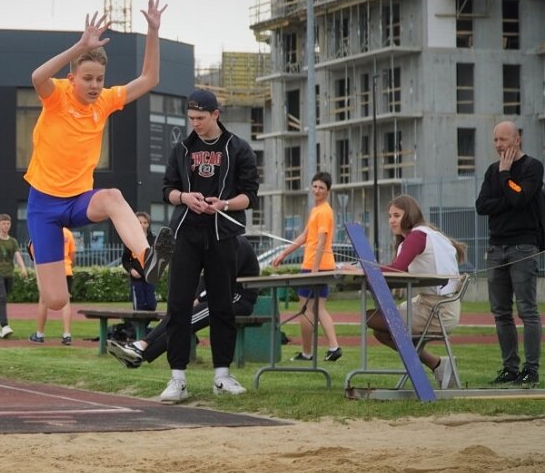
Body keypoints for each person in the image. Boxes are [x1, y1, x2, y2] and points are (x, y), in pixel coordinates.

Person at [24, 0, 173, 316]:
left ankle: (148, 258)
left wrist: (153, 31)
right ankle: (37, 248)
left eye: (100, 79)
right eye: (87, 79)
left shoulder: (105, 100)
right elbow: (37, 77)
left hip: (79, 200)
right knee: (56, 301)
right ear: (71, 78)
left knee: (113, 197)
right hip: (45, 206)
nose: (94, 85)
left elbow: (150, 79)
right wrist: (79, 47)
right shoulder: (57, 96)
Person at [158, 88, 259, 403]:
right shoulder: (181, 149)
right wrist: (185, 197)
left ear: (216, 114)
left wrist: (224, 204)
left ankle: (222, 375)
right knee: (178, 304)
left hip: (223, 235)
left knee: (221, 306)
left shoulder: (239, 148)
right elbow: (168, 191)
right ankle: (177, 379)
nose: (195, 124)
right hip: (186, 232)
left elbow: (249, 196)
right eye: (191, 118)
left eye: (200, 118)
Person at [346, 195, 467, 389]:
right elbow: (399, 270)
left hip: (437, 311)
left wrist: (361, 270)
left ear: (409, 215)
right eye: (390, 216)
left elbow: (397, 269)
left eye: (397, 215)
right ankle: (438, 364)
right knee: (381, 330)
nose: (391, 220)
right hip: (435, 304)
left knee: (373, 319)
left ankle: (437, 364)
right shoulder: (429, 234)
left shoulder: (417, 236)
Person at [108, 235, 259, 368]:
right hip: (219, 295)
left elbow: (223, 281)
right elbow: (205, 278)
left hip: (237, 298)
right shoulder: (213, 243)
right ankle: (141, 346)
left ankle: (140, 353)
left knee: (184, 322)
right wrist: (190, 299)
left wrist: (199, 299)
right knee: (179, 312)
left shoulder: (235, 245)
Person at [476, 120, 542, 389]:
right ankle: (510, 369)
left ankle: (531, 370)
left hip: (523, 247)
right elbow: (482, 205)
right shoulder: (491, 171)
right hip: (496, 247)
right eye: (495, 140)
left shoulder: (532, 167)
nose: (499, 145)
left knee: (527, 310)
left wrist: (505, 176)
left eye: (503, 140)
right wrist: (506, 194)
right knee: (501, 312)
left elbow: (521, 197)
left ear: (517, 140)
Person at [271, 172, 342, 363]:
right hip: (314, 265)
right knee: (313, 308)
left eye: (321, 188)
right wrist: (283, 254)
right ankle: (318, 350)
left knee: (310, 309)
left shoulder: (325, 211)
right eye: (315, 186)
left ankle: (324, 348)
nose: (317, 190)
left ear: (328, 191)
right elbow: (304, 236)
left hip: (316, 266)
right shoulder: (315, 210)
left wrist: (315, 271)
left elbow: (321, 242)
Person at [28, 228, 76, 345]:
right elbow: (72, 255)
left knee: (43, 300)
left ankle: (39, 334)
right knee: (66, 301)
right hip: (65, 269)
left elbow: (34, 251)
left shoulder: (43, 230)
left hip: (49, 269)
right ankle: (67, 335)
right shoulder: (68, 233)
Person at [121, 212, 158, 312]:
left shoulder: (154, 239)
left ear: (148, 224)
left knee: (151, 305)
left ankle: (146, 327)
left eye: (145, 222)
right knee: (139, 306)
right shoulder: (130, 239)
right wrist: (131, 270)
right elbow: (125, 259)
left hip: (149, 277)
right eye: (139, 222)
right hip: (136, 278)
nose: (142, 225)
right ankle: (137, 327)